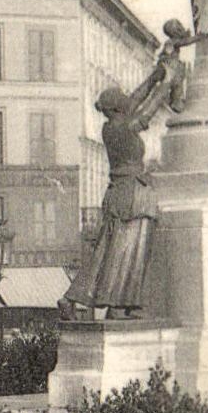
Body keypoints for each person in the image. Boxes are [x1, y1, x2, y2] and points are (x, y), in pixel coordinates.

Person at [57, 85, 158, 320]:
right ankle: (114, 303)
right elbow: (148, 112)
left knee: (111, 251)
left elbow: (136, 98)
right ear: (115, 107)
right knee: (125, 250)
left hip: (124, 192)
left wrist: (156, 76)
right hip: (130, 195)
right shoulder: (122, 128)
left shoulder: (113, 126)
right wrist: (166, 83)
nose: (127, 99)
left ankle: (115, 304)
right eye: (122, 99)